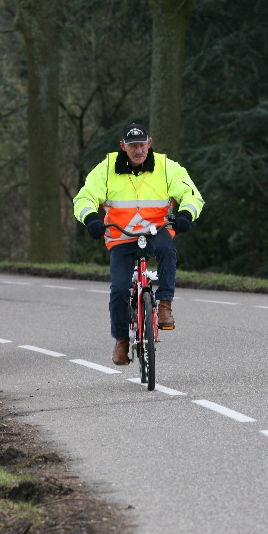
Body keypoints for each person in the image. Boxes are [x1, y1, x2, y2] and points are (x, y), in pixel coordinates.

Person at [73, 122, 205, 365]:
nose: (138, 150)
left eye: (142, 145)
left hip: (156, 230)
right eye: (132, 146)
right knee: (119, 289)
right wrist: (91, 218)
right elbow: (84, 197)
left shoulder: (166, 166)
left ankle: (164, 305)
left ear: (149, 143)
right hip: (121, 235)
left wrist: (186, 214)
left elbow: (192, 195)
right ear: (123, 146)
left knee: (167, 249)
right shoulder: (106, 168)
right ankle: (121, 341)